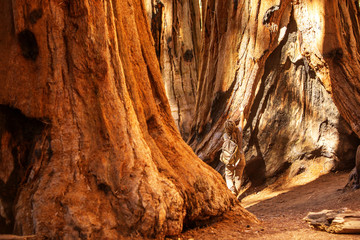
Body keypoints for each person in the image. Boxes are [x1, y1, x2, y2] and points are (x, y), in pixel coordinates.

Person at [222, 112, 246, 196]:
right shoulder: (239, 131)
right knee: (238, 177)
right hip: (240, 157)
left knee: (228, 176)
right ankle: (236, 196)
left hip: (229, 158)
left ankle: (231, 189)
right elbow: (241, 122)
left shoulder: (225, 136)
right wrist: (242, 112)